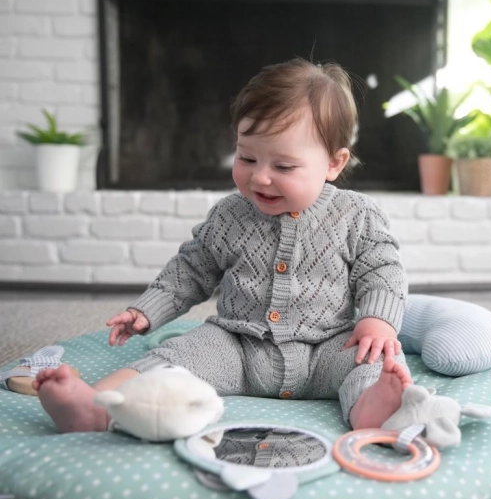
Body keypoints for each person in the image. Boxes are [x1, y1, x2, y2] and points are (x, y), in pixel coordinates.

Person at [34, 58, 412, 434]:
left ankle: (371, 408)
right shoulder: (230, 215)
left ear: (334, 163)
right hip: (238, 346)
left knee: (374, 359)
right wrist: (147, 310)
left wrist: (377, 322)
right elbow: (190, 269)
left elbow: (383, 271)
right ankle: (98, 406)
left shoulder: (356, 215)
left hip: (326, 348)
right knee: (176, 355)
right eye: (247, 157)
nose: (260, 177)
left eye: (283, 167)